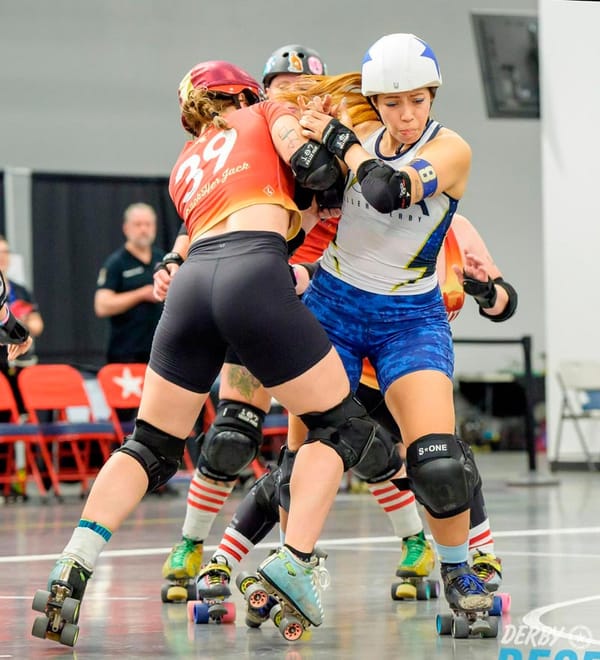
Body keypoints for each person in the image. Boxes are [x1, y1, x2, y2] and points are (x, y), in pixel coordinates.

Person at [33, 58, 381, 646]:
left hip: (193, 285)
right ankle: (294, 561)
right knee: (342, 430)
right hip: (254, 273)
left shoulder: (185, 164)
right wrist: (332, 139)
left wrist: (308, 205)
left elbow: (266, 205)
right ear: (244, 95)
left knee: (149, 444)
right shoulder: (266, 113)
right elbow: (309, 167)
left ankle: (74, 561)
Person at [292, 32, 504, 616]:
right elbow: (310, 193)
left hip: (409, 317)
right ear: (376, 103)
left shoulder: (451, 149)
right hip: (333, 306)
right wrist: (307, 135)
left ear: (433, 96)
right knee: (312, 448)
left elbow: (386, 190)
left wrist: (340, 140)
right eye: (392, 103)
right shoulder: (356, 136)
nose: (406, 115)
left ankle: (458, 571)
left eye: (417, 100)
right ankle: (294, 566)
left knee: (437, 459)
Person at [155, 45, 336, 601]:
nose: (291, 98)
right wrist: (175, 259)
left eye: (302, 90)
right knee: (233, 433)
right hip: (256, 287)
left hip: (320, 296)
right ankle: (192, 544)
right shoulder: (255, 133)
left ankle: (409, 545)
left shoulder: (332, 137)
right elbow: (210, 214)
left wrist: (312, 270)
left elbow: (362, 230)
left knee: (346, 436)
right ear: (260, 93)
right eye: (281, 88)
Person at [0, 235, 44, 498]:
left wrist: (21, 335)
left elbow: (6, 318)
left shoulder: (16, 287)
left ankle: (12, 483)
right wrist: (20, 334)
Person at [94, 202, 164, 365]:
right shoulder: (116, 263)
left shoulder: (162, 259)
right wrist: (141, 294)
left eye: (148, 224)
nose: (143, 229)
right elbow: (102, 306)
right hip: (126, 354)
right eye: (138, 224)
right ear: (126, 228)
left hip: (160, 352)